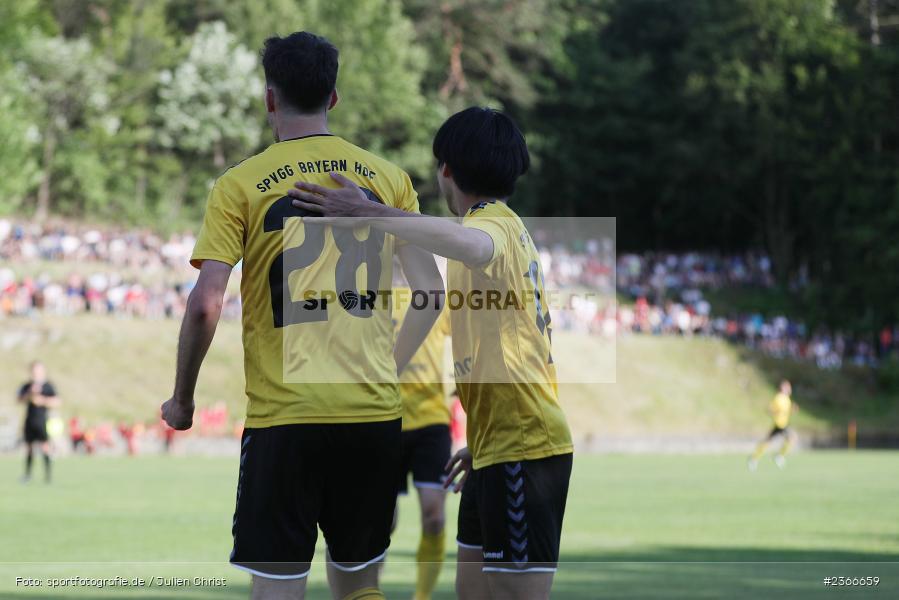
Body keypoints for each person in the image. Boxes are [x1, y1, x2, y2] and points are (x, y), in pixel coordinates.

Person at [160, 32, 443, 600]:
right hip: (372, 414)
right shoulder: (389, 180)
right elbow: (430, 294)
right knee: (361, 585)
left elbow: (207, 303)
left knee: (278, 587)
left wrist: (183, 399)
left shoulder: (239, 185)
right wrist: (390, 363)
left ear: (270, 98)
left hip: (285, 418)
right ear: (333, 98)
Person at [288, 107, 574, 600]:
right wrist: (483, 437)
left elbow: (470, 243)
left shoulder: (495, 227)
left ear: (446, 168)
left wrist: (370, 212)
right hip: (496, 448)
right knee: (471, 592)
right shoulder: (504, 228)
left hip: (526, 449)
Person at [391, 278, 452, 600]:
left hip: (431, 421)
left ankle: (422, 596)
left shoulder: (432, 296)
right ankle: (365, 587)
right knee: (381, 522)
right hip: (386, 419)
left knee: (434, 516)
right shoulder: (372, 294)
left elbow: (470, 331)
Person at [18, 361, 60, 483]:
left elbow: (57, 401)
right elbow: (19, 399)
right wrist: (30, 394)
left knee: (45, 447)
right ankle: (27, 475)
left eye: (38, 370)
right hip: (29, 420)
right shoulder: (27, 386)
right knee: (29, 448)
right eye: (34, 371)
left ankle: (48, 476)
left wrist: (43, 400)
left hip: (43, 420)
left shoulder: (48, 386)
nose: (36, 373)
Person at [748, 380, 798, 470]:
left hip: (783, 424)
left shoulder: (787, 399)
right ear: (783, 388)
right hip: (780, 424)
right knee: (792, 438)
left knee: (768, 442)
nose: (789, 389)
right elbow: (770, 410)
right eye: (787, 387)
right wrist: (776, 412)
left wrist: (792, 410)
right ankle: (778, 456)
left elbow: (786, 412)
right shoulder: (778, 398)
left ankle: (754, 458)